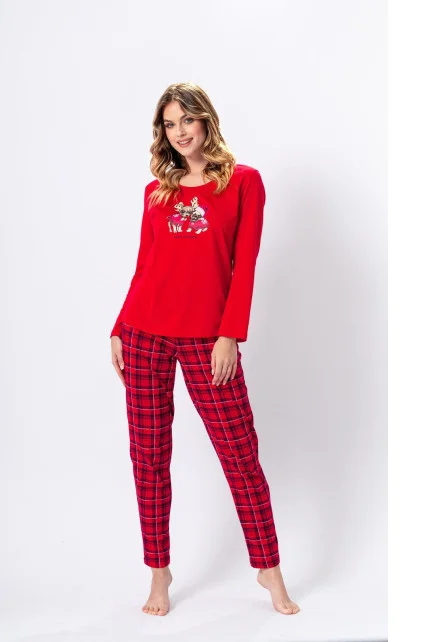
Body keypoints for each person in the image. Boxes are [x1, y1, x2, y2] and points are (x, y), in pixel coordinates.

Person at [109, 82, 300, 617]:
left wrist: (229, 335)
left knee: (240, 454)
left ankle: (269, 570)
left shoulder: (243, 182)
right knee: (148, 457)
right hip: (144, 333)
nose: (179, 132)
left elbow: (245, 263)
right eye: (169, 124)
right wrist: (120, 326)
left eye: (186, 120)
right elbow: (145, 266)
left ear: (206, 121)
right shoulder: (157, 191)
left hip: (207, 338)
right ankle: (159, 573)